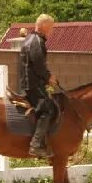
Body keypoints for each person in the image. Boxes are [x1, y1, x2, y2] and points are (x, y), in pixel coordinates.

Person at [19, 14, 58, 158]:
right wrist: (49, 77)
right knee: (47, 110)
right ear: (45, 27)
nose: (52, 31)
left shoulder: (31, 38)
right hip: (33, 85)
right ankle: (35, 145)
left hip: (30, 82)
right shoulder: (36, 41)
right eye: (51, 28)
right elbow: (38, 65)